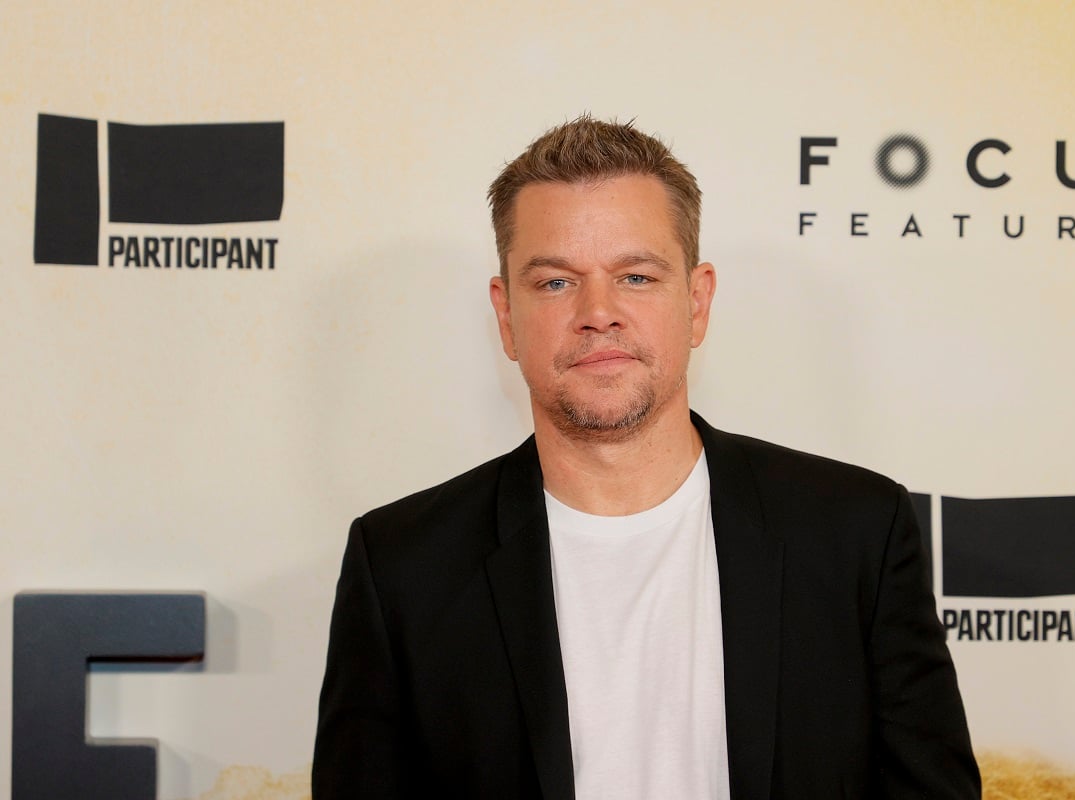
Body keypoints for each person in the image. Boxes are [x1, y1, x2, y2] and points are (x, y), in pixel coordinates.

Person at [313, 116, 980, 799]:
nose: (598, 312)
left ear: (697, 301)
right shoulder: (401, 566)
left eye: (635, 276)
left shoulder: (855, 533)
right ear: (506, 317)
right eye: (553, 283)